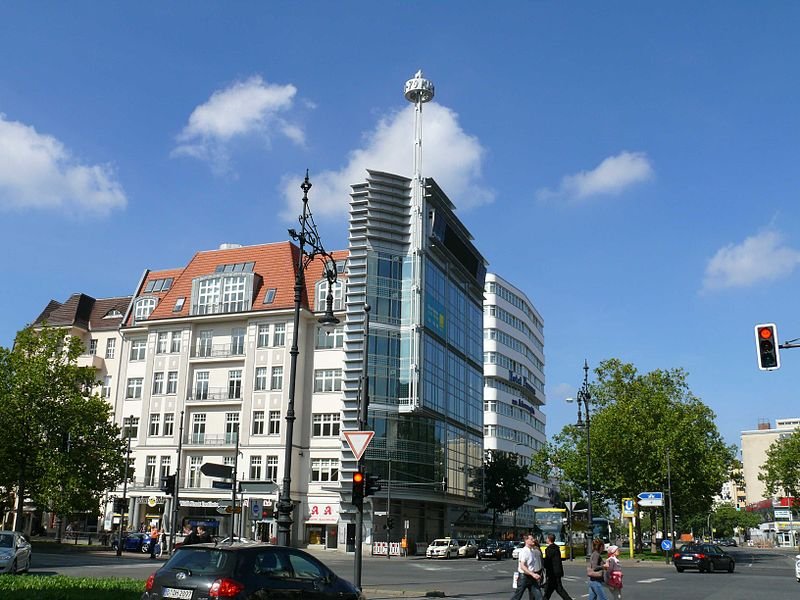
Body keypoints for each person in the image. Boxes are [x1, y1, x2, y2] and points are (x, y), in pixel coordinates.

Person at [510, 534, 544, 600]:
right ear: (526, 541)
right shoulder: (524, 551)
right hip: (524, 577)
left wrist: (536, 574)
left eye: (533, 538)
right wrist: (533, 574)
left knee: (539, 597)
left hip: (532, 578)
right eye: (531, 539)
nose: (533, 540)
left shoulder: (532, 551)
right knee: (517, 597)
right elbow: (522, 566)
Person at [543, 533, 573, 600]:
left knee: (555, 589)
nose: (546, 539)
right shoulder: (557, 548)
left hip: (552, 572)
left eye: (546, 538)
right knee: (554, 589)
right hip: (558, 571)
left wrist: (543, 563)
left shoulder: (549, 549)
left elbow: (548, 561)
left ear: (549, 539)